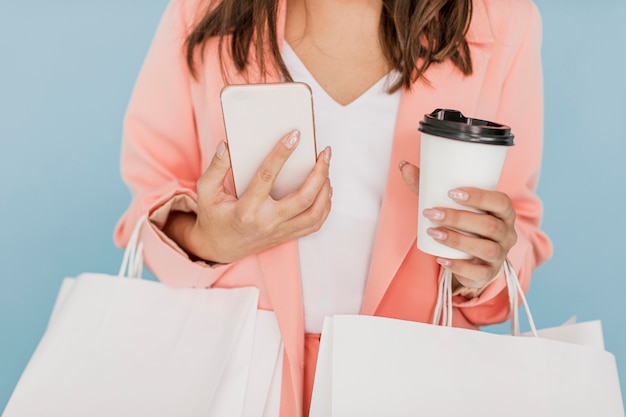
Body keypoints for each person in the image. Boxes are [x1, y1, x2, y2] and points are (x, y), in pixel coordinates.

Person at [115, 0, 553, 415]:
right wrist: (213, 239)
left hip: (416, 384)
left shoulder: (501, 19)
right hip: (239, 380)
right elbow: (147, 205)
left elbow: (517, 229)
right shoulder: (203, 11)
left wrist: (483, 264)